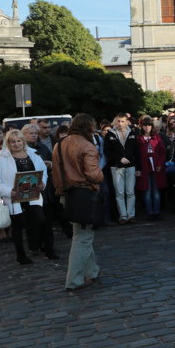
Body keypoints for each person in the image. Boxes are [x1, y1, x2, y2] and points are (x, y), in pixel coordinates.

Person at [52, 114, 104, 292]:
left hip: (67, 193)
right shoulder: (87, 146)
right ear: (89, 127)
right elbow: (94, 174)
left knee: (81, 234)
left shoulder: (60, 144)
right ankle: (74, 279)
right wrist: (101, 176)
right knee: (82, 237)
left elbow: (56, 174)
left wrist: (60, 192)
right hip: (85, 193)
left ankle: (92, 270)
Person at [0, 129, 55, 264]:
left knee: (41, 221)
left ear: (23, 142)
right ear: (8, 143)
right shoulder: (2, 160)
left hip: (33, 195)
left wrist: (42, 182)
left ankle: (48, 250)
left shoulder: (34, 156)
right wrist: (8, 191)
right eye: (12, 142)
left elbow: (43, 171)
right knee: (18, 226)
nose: (16, 144)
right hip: (14, 198)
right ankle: (21, 255)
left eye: (19, 141)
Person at [104, 113, 138, 224]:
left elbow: (137, 151)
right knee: (119, 192)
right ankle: (123, 216)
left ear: (127, 122)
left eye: (122, 121)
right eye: (118, 121)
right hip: (116, 167)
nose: (120, 123)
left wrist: (138, 167)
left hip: (130, 166)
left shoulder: (132, 133)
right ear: (115, 121)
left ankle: (131, 215)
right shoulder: (110, 134)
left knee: (130, 192)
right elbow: (107, 151)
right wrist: (120, 158)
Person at [134, 116, 167, 221]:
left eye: (149, 125)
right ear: (141, 126)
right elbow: (137, 155)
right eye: (145, 125)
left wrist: (159, 164)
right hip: (144, 168)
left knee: (156, 191)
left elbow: (162, 152)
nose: (147, 127)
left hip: (156, 168)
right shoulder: (138, 139)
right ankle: (150, 212)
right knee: (147, 191)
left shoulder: (157, 137)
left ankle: (157, 212)